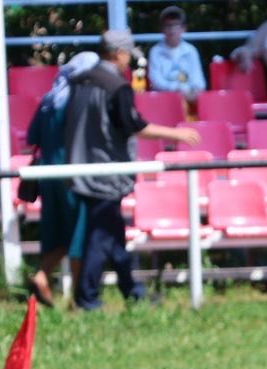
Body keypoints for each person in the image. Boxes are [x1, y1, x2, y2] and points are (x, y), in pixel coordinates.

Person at [64, 30, 201, 311]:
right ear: (118, 53)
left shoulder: (80, 81)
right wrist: (176, 135)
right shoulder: (117, 86)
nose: (128, 61)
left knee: (112, 235)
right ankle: (87, 298)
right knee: (101, 236)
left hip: (80, 165)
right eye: (127, 54)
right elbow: (134, 126)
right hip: (106, 172)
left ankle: (133, 292)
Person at [24, 52, 99, 308]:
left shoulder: (48, 99)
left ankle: (42, 276)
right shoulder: (80, 100)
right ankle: (79, 298)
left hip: (46, 174)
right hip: (74, 175)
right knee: (80, 234)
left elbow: (31, 136)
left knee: (59, 234)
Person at [148, 6, 206, 106]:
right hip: (163, 101)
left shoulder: (191, 50)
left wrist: (194, 91)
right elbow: (156, 81)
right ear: (162, 29)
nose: (172, 30)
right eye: (168, 26)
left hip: (189, 99)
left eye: (176, 25)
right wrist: (178, 89)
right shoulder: (155, 51)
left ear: (184, 28)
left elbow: (198, 80)